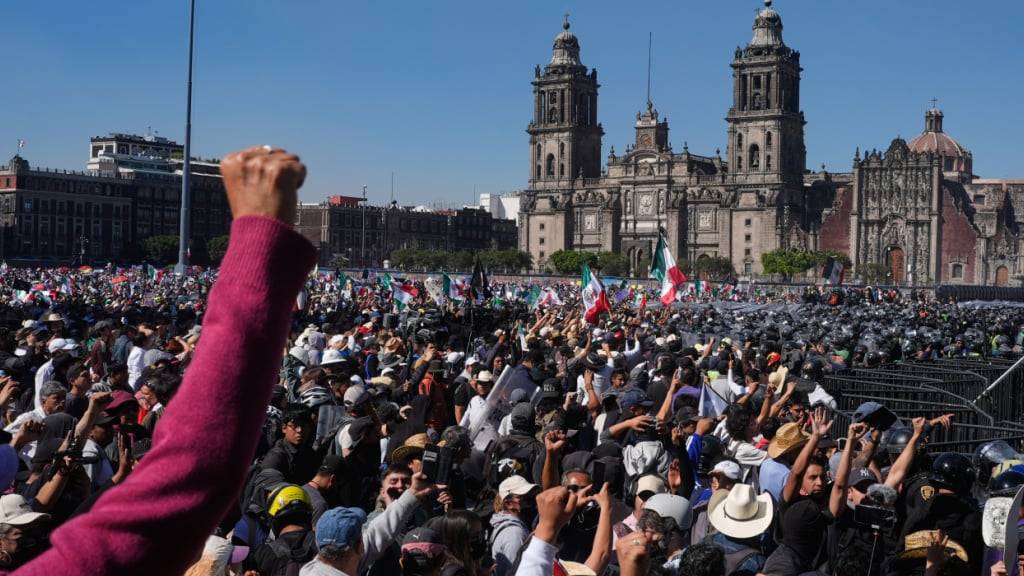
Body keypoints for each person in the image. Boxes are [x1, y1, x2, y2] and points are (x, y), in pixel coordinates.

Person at [490, 475, 540, 576]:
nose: (530, 498)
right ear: (509, 504)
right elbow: (516, 572)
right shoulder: (515, 534)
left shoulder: (512, 525)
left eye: (530, 494)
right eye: (523, 496)